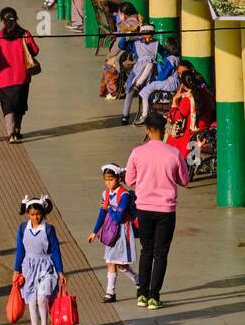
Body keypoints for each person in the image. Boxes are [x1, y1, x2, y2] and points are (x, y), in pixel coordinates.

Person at [124, 112, 188, 311]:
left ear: (147, 130)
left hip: (143, 208)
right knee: (161, 253)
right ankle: (154, 296)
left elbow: (129, 181)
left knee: (147, 250)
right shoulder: (174, 153)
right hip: (166, 210)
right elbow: (184, 180)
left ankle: (141, 294)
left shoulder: (137, 153)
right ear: (164, 130)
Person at [86, 164, 140, 303]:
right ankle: (110, 293)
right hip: (111, 231)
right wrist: (94, 231)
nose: (108, 182)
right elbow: (101, 214)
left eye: (111, 179)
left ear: (118, 178)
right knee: (110, 261)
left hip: (122, 231)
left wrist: (109, 207)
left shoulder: (125, 195)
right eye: (106, 179)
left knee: (120, 264)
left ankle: (138, 279)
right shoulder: (106, 193)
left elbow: (118, 218)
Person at [12, 195, 64, 325]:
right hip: (28, 268)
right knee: (32, 301)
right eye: (32, 214)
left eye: (38, 214)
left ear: (43, 213)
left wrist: (60, 271)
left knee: (41, 298)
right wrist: (16, 271)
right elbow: (20, 251)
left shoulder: (48, 229)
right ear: (28, 214)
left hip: (45, 268)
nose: (36, 217)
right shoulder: (23, 228)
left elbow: (55, 252)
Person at [0, 7, 40, 143]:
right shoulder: (25, 34)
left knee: (8, 107)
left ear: (2, 20)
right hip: (22, 77)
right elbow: (35, 50)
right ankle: (17, 130)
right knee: (20, 104)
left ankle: (11, 133)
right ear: (16, 18)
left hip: (4, 79)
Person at [165, 68, 215, 165]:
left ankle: (176, 161)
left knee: (169, 132)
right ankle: (193, 160)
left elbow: (177, 117)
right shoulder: (206, 93)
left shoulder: (188, 99)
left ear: (183, 84)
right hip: (205, 127)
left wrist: (175, 100)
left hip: (192, 132)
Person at [123, 25, 163, 126]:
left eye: (150, 37)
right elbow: (121, 45)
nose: (148, 40)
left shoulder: (156, 44)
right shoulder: (135, 43)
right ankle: (125, 115)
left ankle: (144, 116)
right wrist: (127, 36)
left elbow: (165, 55)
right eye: (145, 37)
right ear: (141, 35)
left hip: (150, 73)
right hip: (137, 71)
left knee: (146, 92)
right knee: (130, 91)